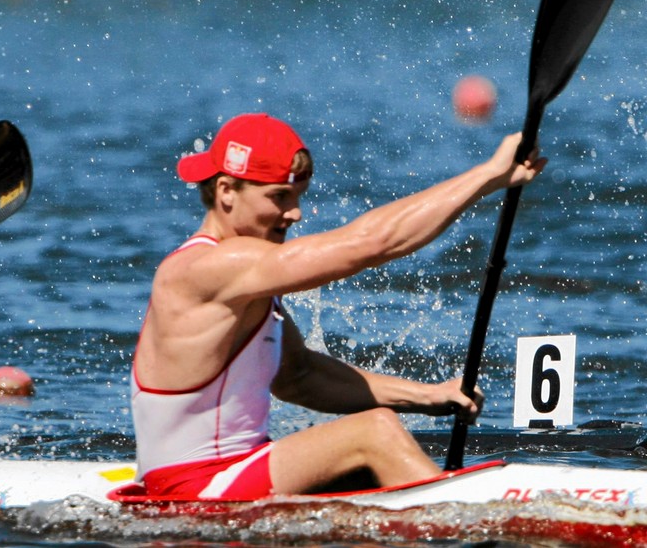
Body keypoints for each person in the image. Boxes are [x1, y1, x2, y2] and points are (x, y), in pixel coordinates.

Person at [131, 113, 545, 500]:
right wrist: (489, 175)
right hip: (195, 489)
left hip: (230, 474)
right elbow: (370, 244)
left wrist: (431, 396)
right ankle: (470, 529)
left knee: (366, 463)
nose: (294, 213)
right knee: (374, 432)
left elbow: (301, 377)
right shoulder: (208, 267)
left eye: (298, 195)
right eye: (278, 196)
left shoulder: (244, 278)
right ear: (226, 191)